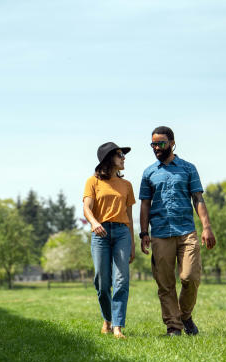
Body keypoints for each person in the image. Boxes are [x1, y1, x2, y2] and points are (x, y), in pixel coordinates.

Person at [139, 126, 216, 336]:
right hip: (160, 233)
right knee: (165, 284)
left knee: (190, 277)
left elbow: (198, 198)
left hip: (186, 231)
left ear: (172, 143)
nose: (156, 148)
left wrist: (206, 228)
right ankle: (173, 326)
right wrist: (144, 233)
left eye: (161, 143)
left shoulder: (188, 168)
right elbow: (145, 204)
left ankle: (185, 315)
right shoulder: (149, 173)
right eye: (153, 144)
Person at [83, 142, 136, 339]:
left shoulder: (127, 185)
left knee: (121, 280)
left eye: (123, 155)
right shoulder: (93, 182)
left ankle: (117, 327)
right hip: (101, 233)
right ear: (108, 159)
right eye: (120, 154)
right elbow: (87, 208)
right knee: (102, 282)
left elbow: (130, 217)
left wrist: (131, 244)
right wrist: (95, 223)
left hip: (122, 232)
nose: (124, 158)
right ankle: (107, 318)